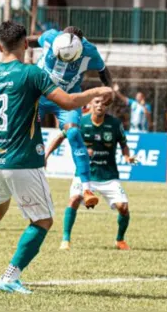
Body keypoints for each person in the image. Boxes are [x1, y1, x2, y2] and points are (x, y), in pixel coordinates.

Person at [0, 20, 112, 294]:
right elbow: (69, 102)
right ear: (26, 45)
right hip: (24, 161)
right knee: (42, 221)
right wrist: (98, 91)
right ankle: (9, 277)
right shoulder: (32, 74)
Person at [27, 26, 112, 209]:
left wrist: (109, 89)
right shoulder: (50, 37)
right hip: (39, 94)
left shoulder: (90, 52)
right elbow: (30, 41)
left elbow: (103, 71)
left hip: (68, 98)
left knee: (73, 133)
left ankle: (87, 189)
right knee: (22, 130)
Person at [45, 95, 137, 251]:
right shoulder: (80, 122)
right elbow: (60, 137)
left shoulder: (115, 124)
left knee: (123, 207)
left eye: (104, 103)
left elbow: (123, 144)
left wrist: (127, 156)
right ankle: (65, 240)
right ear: (90, 104)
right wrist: (46, 155)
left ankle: (120, 240)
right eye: (97, 102)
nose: (100, 105)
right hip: (83, 174)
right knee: (74, 199)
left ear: (107, 106)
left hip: (108, 176)